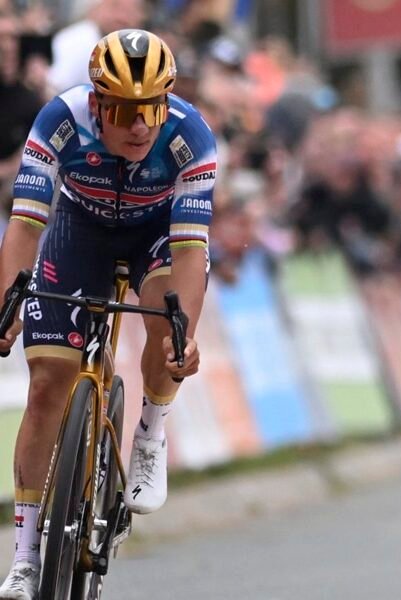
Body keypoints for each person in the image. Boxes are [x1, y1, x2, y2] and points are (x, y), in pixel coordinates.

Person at [0, 28, 215, 598]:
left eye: (151, 109)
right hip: (82, 229)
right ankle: (25, 557)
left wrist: (183, 337)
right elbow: (25, 223)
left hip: (157, 234)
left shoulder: (190, 137)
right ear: (97, 105)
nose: (140, 126)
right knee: (47, 383)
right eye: (123, 111)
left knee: (167, 326)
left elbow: (189, 250)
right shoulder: (60, 120)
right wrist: (6, 304)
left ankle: (150, 432)